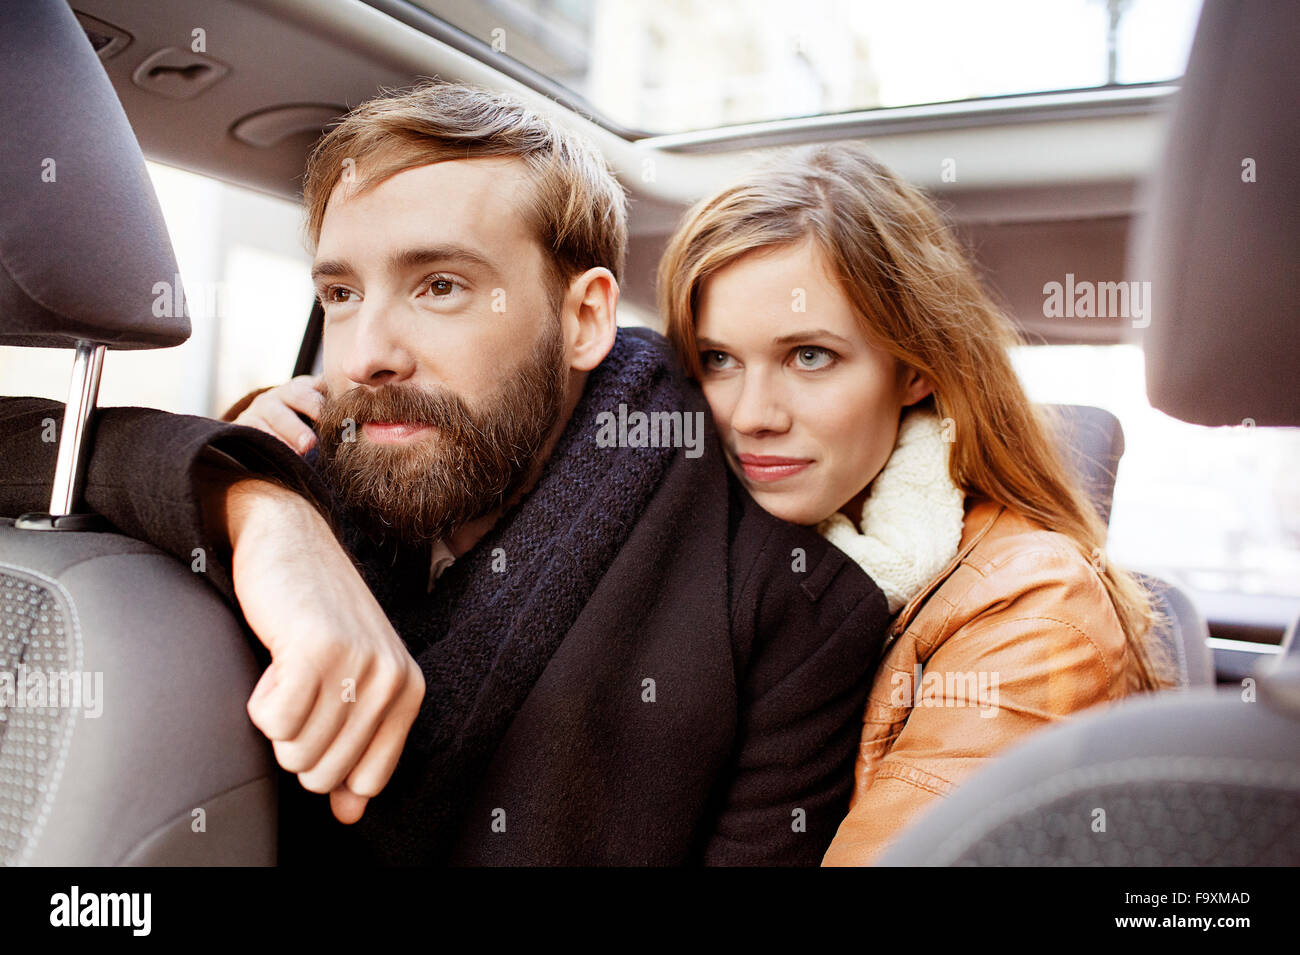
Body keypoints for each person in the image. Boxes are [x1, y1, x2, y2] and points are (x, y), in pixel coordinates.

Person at [0, 82, 891, 866]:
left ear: (584, 319)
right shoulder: (291, 464)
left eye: (440, 287)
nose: (369, 355)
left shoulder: (794, 611)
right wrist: (255, 506)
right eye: (342, 295)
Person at [655, 142, 1177, 866]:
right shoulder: (697, 556)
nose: (752, 415)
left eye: (810, 356)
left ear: (915, 370)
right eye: (718, 360)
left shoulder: (1036, 608)